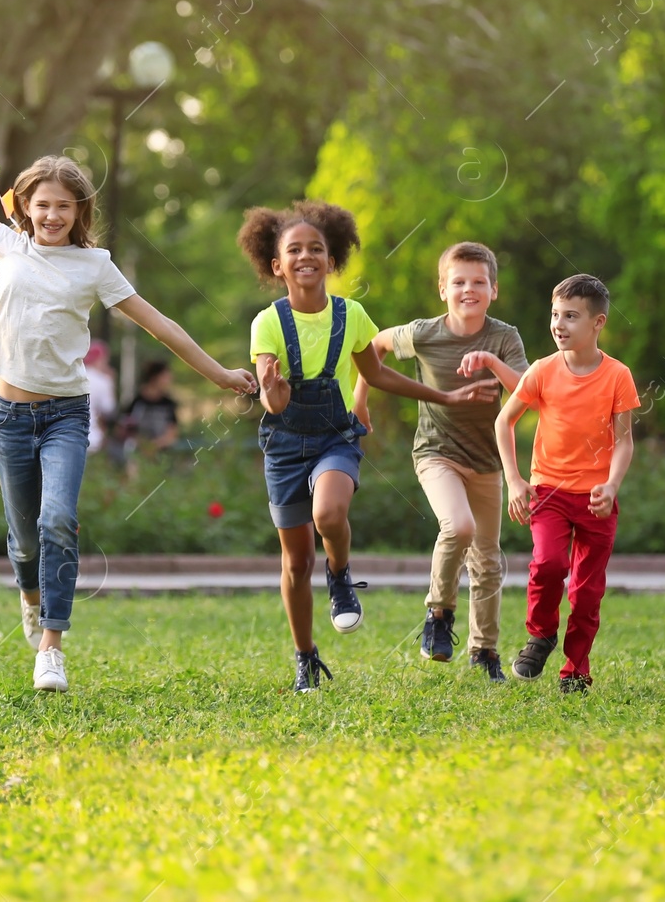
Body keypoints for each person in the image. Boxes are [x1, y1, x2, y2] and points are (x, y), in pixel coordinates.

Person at [0, 133, 254, 693]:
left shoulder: (95, 266)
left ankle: (51, 647)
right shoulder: (6, 245)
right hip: (8, 414)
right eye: (42, 204)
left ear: (80, 211)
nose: (51, 215)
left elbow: (160, 325)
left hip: (66, 417)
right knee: (24, 538)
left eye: (63, 205)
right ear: (25, 206)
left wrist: (219, 375)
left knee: (57, 521)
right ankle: (31, 598)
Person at [238, 201, 498, 693]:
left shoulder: (351, 315)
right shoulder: (266, 324)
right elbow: (272, 404)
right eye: (294, 250)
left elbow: (376, 372)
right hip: (285, 442)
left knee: (330, 515)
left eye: (317, 248)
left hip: (335, 438)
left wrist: (443, 394)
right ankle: (305, 657)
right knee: (294, 562)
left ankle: (340, 573)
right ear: (277, 264)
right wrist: (271, 387)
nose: (306, 256)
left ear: (331, 260)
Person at [354, 242, 528, 682]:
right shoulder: (425, 333)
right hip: (437, 452)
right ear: (442, 289)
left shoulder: (504, 336)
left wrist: (491, 360)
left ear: (493, 290)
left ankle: (484, 650)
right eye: (459, 282)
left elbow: (526, 392)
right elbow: (374, 345)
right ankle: (438, 614)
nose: (468, 289)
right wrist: (360, 399)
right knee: (459, 527)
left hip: (487, 459)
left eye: (478, 282)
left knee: (488, 560)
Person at [495, 274, 639, 694]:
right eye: (555, 314)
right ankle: (540, 636)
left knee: (587, 591)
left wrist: (612, 485)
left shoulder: (617, 376)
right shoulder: (542, 370)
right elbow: (504, 421)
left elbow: (625, 439)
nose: (559, 324)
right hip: (549, 492)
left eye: (571, 316)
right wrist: (515, 480)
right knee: (548, 564)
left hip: (597, 499)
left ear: (598, 323)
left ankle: (576, 668)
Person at [122, 360, 181, 454]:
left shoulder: (168, 404)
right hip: (139, 453)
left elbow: (172, 433)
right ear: (155, 378)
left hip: (162, 455)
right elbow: (127, 430)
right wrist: (144, 445)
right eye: (165, 376)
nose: (169, 380)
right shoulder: (137, 403)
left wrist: (155, 445)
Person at [84, 340, 117, 455]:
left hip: (69, 435)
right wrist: (112, 382)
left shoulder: (77, 376)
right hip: (92, 438)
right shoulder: (103, 380)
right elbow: (109, 409)